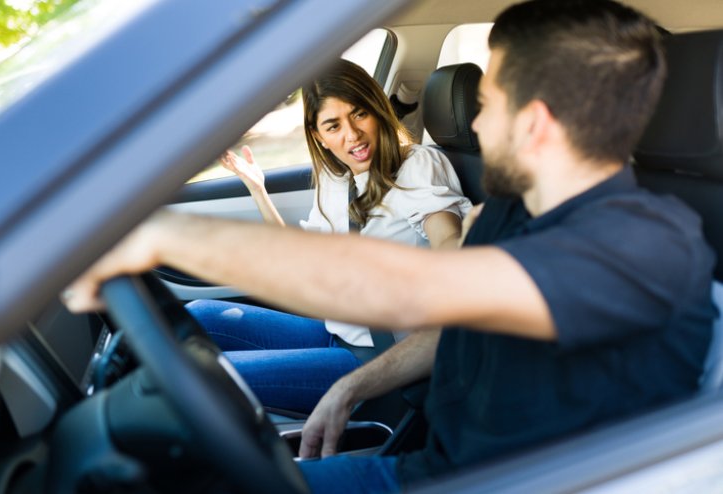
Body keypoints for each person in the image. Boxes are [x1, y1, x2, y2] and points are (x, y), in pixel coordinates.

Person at [63, 0, 717, 492]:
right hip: (432, 461)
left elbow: (417, 291)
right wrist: (351, 385)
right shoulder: (514, 211)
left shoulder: (646, 247)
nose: (473, 121)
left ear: (536, 124)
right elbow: (455, 322)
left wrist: (159, 232)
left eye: (486, 101)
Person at [185, 59, 472, 413]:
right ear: (318, 136)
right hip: (336, 331)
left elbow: (446, 238)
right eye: (333, 125)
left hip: (377, 358)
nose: (352, 135)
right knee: (198, 315)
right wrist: (259, 190)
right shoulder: (337, 181)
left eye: (359, 114)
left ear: (378, 110)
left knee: (206, 380)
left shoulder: (419, 165)